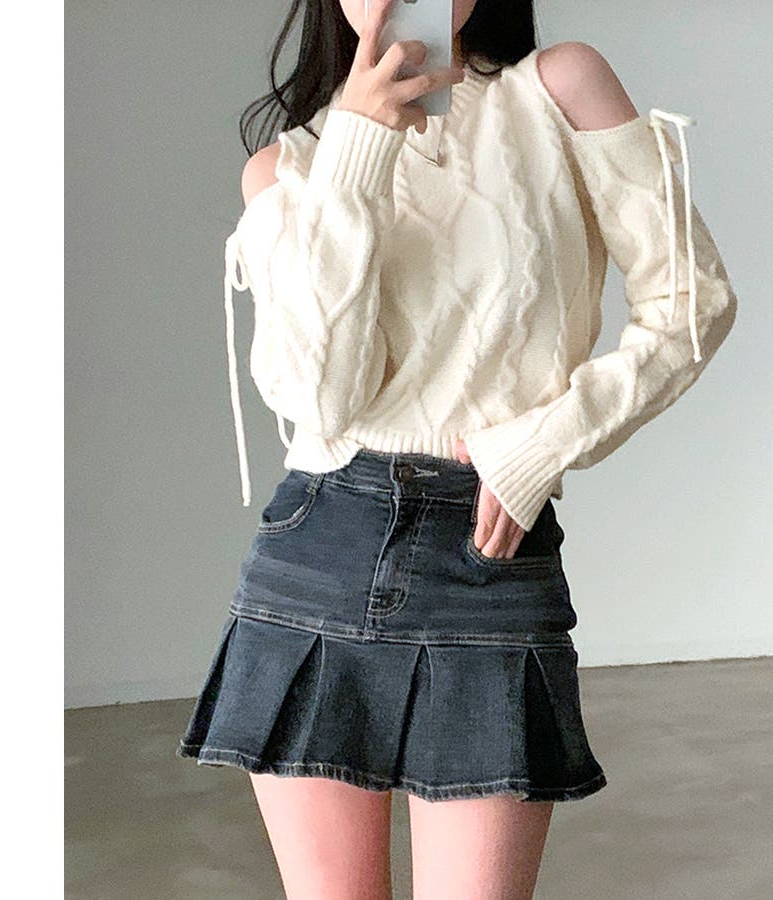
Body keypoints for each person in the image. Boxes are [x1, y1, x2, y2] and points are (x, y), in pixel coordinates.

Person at [177, 0, 738, 896]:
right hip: (320, 552)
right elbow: (324, 399)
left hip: (489, 556)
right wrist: (358, 148)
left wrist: (538, 449)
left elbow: (692, 306)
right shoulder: (286, 168)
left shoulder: (559, 89)